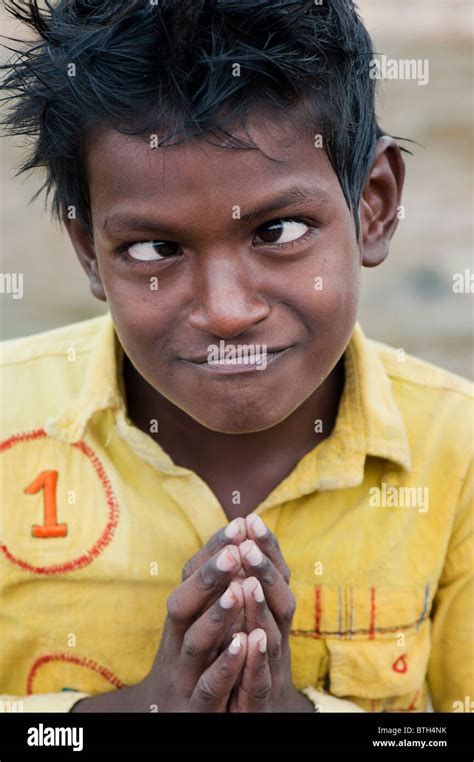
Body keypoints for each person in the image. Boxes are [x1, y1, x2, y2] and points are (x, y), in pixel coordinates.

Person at [0, 0, 472, 714]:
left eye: (278, 230)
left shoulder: (458, 455)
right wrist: (121, 713)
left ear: (373, 205)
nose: (224, 310)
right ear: (88, 251)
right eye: (154, 249)